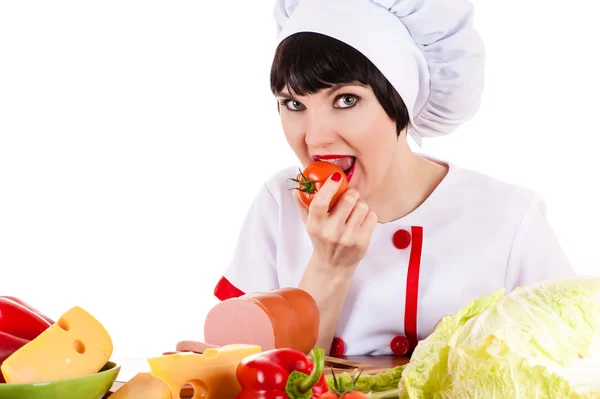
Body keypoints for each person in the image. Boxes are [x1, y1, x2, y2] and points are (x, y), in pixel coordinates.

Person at [213, 0, 575, 357]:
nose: (315, 137)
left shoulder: (509, 219)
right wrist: (329, 266)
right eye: (294, 104)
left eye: (346, 100)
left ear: (401, 99)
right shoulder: (278, 205)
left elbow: (574, 362)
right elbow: (253, 378)